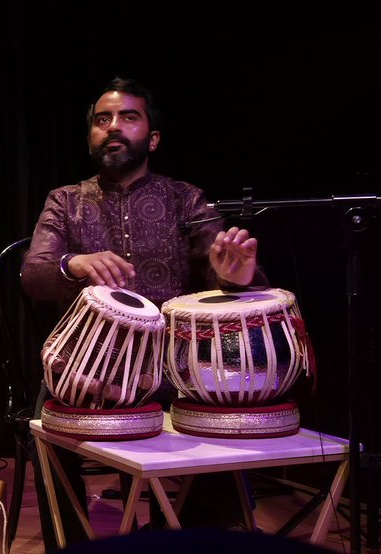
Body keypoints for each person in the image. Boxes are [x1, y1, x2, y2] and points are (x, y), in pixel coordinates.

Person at [20, 77, 265, 548]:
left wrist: (235, 276)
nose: (113, 127)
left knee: (224, 410)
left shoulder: (186, 199)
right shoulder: (65, 201)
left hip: (174, 366)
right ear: (90, 136)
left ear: (152, 139)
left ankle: (191, 535)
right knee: (46, 432)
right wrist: (73, 263)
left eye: (128, 117)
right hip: (88, 370)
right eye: (102, 119)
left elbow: (226, 277)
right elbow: (34, 275)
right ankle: (73, 544)